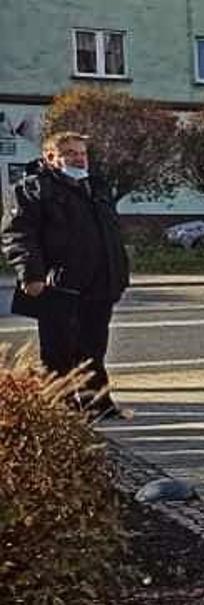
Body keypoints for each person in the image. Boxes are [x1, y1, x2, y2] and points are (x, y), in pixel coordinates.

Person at [2, 131, 129, 420]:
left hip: (100, 284)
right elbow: (18, 235)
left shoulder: (95, 187)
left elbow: (109, 233)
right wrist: (30, 274)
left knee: (94, 346)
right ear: (51, 157)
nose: (79, 158)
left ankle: (96, 402)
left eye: (82, 153)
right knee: (59, 350)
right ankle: (59, 409)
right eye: (70, 153)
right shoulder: (34, 189)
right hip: (59, 284)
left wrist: (118, 273)